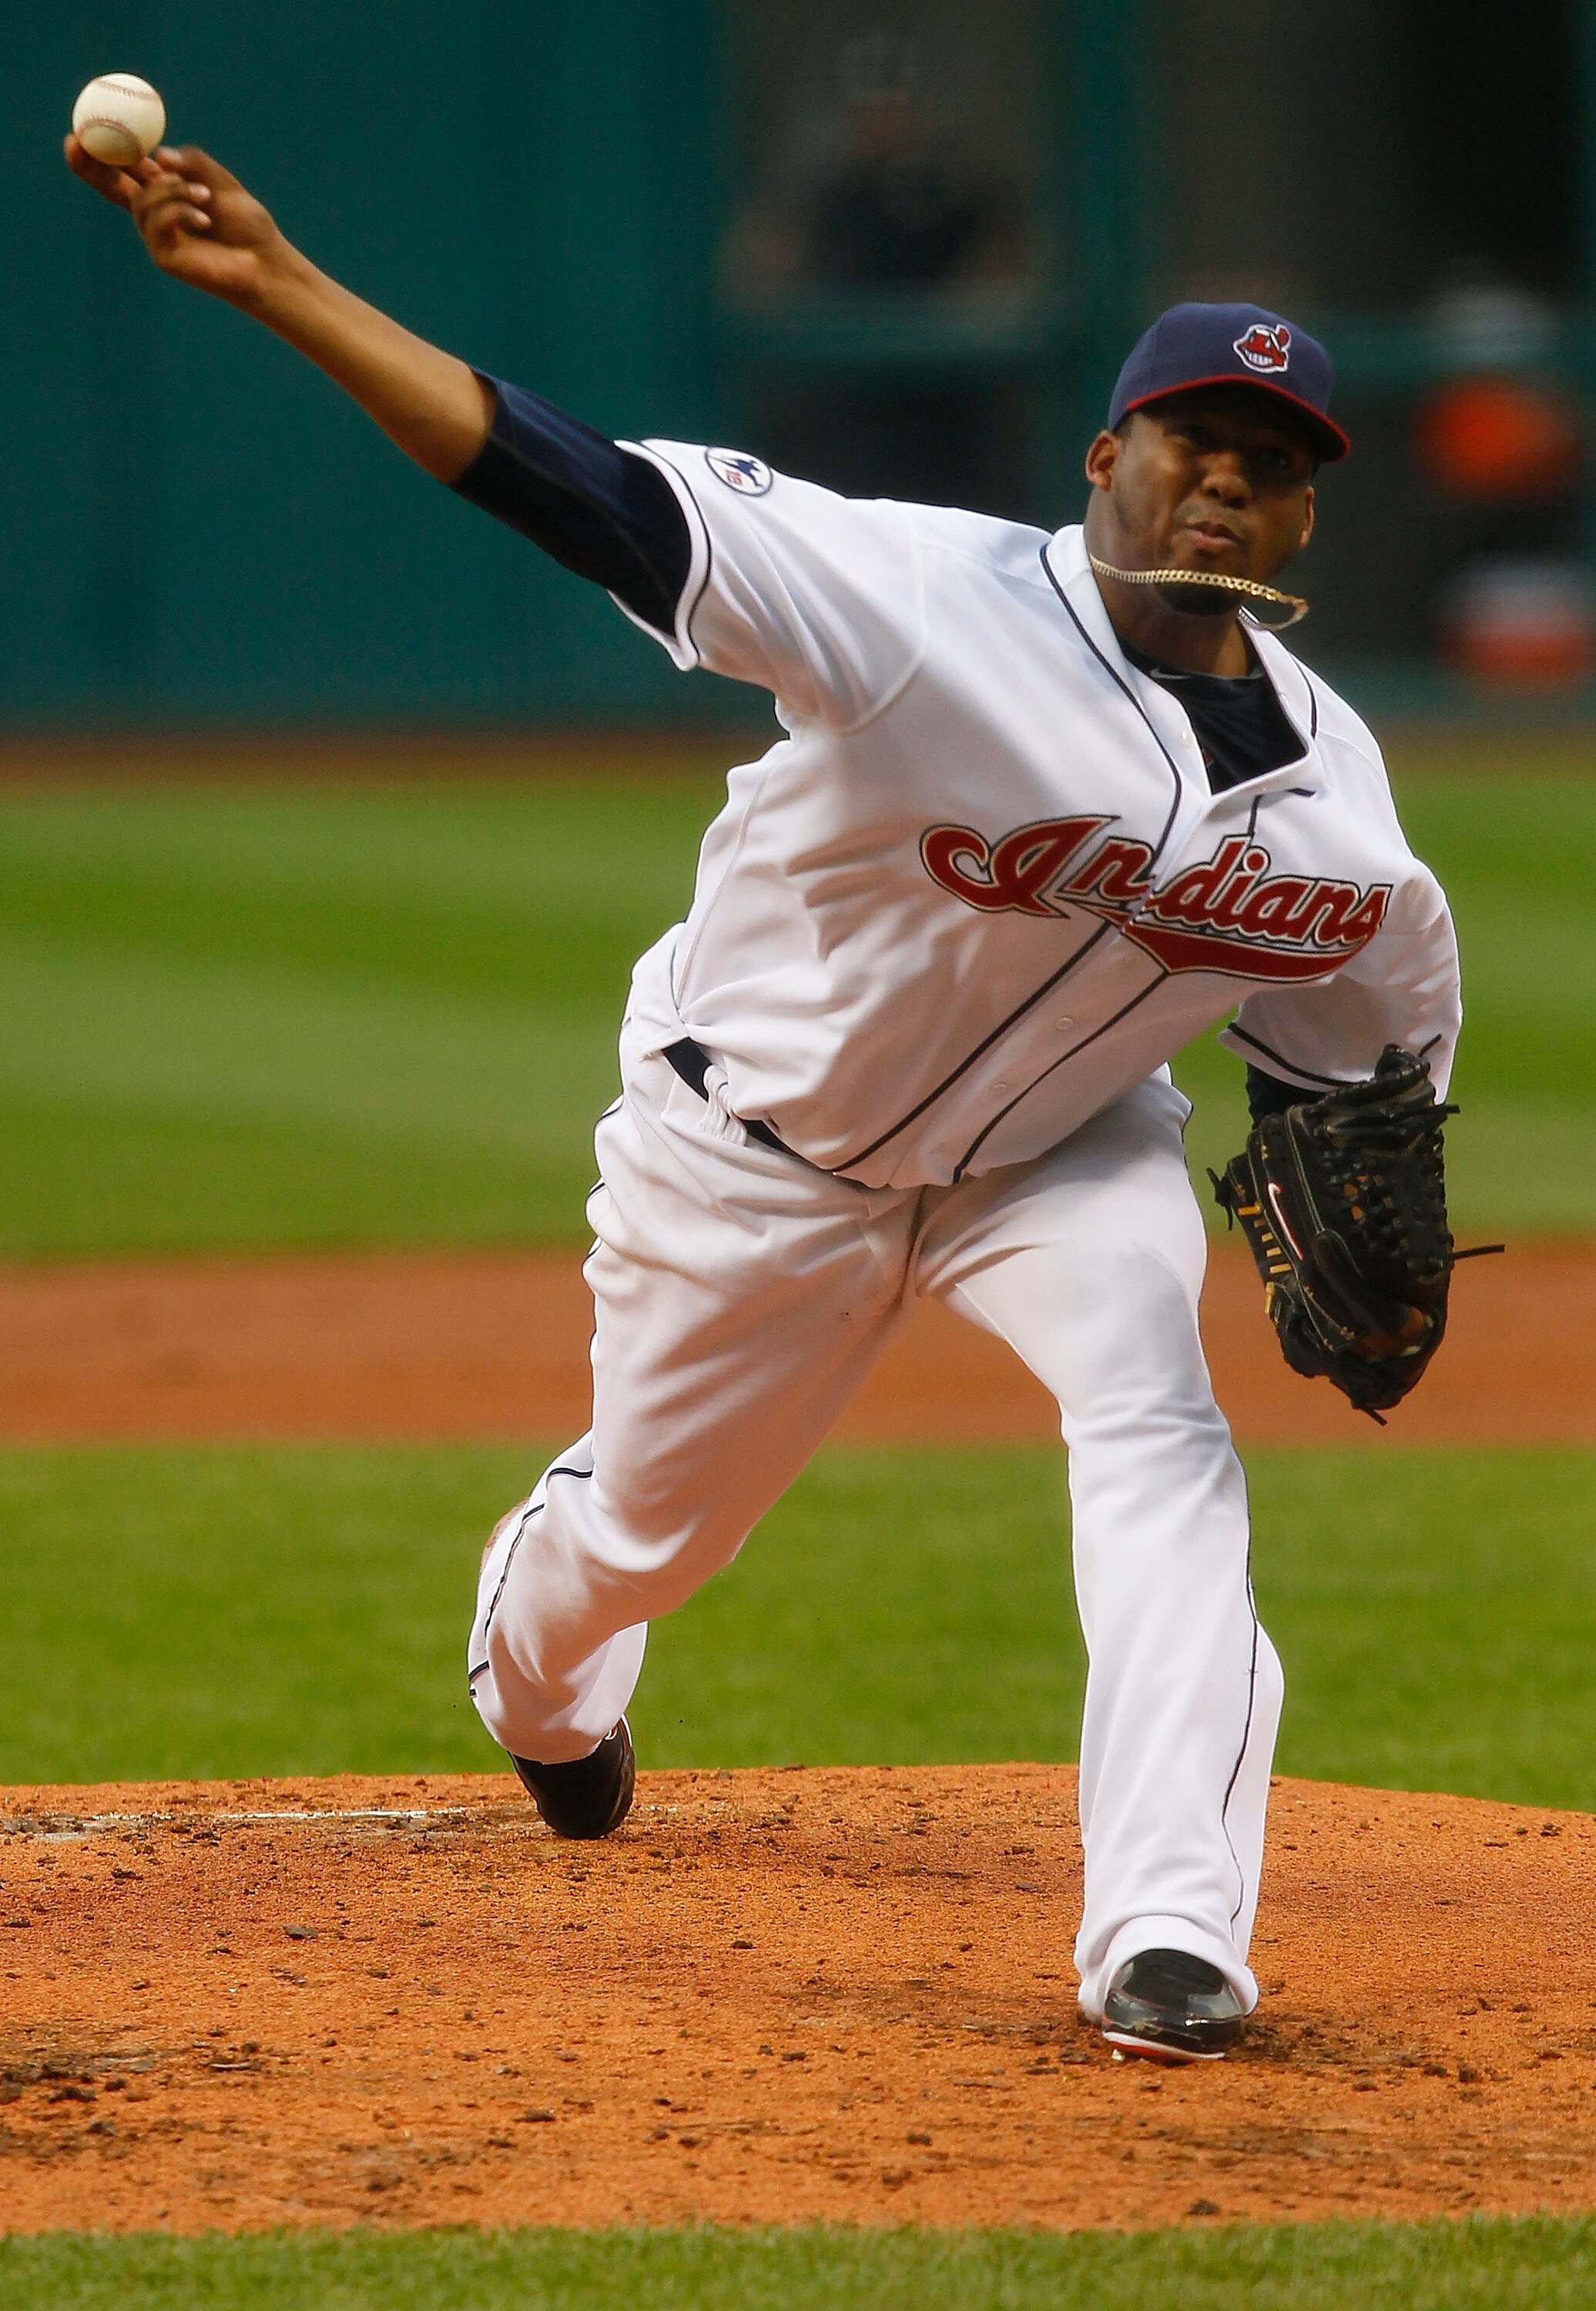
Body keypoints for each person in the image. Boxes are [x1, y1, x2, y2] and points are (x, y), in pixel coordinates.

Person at [68, 136, 1460, 2064]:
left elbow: (1368, 1040)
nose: (1230, 476)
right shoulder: (915, 599)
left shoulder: (1344, 806)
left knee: (1157, 1425)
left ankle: (1166, 1931)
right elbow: (580, 488)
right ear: (1104, 455)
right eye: (1194, 437)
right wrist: (285, 284)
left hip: (1056, 1164)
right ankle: (538, 1672)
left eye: (1278, 457)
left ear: (1305, 510)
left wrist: (1381, 1172)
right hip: (750, 1165)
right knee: (646, 1538)